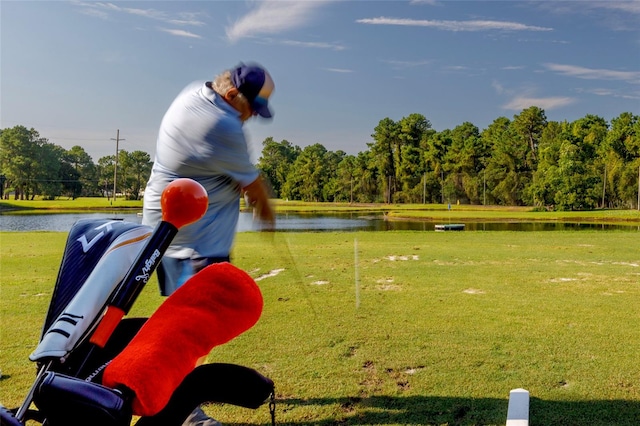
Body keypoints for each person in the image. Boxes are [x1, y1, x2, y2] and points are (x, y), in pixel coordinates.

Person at [141, 63, 276, 426]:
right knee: (190, 329)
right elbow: (254, 187)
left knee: (183, 323)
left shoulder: (192, 95)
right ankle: (185, 411)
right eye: (251, 109)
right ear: (233, 95)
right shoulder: (223, 125)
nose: (250, 118)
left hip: (168, 233)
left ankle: (175, 397)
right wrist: (267, 214)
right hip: (196, 242)